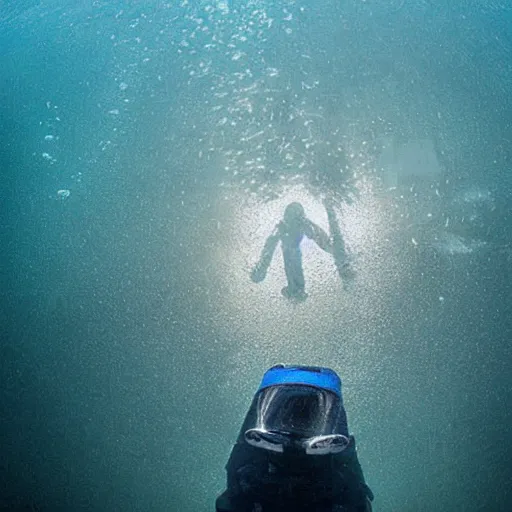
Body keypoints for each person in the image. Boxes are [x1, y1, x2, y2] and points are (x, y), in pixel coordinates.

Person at [216, 365, 374, 512]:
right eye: (288, 420)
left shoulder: (340, 471)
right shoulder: (252, 465)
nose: (295, 435)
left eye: (307, 420)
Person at [250, 202, 339, 300]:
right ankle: (296, 289)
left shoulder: (300, 224)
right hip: (291, 249)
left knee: (293, 262)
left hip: (293, 248)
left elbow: (269, 248)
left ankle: (296, 289)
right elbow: (269, 248)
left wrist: (262, 267)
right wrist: (262, 266)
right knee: (292, 261)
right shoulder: (285, 227)